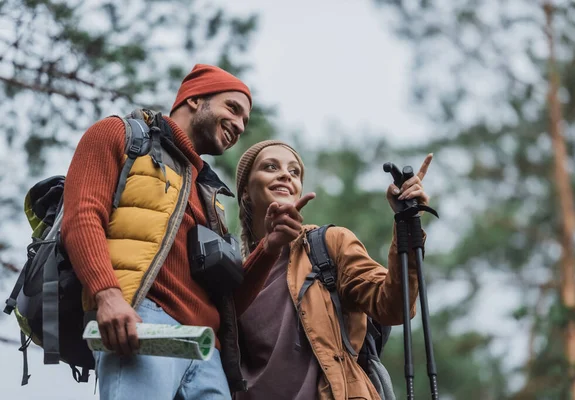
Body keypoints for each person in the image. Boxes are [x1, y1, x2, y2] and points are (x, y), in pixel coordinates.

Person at [61, 65, 304, 399]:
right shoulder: (117, 134)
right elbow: (82, 217)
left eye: (245, 121)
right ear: (194, 99)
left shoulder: (209, 195)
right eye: (232, 108)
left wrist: (270, 246)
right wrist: (108, 295)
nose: (239, 125)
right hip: (143, 325)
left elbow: (228, 302)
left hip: (207, 352)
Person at [234, 140, 433, 399]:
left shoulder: (328, 245)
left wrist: (408, 223)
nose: (285, 174)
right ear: (246, 192)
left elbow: (394, 306)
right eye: (271, 167)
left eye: (294, 172)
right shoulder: (234, 276)